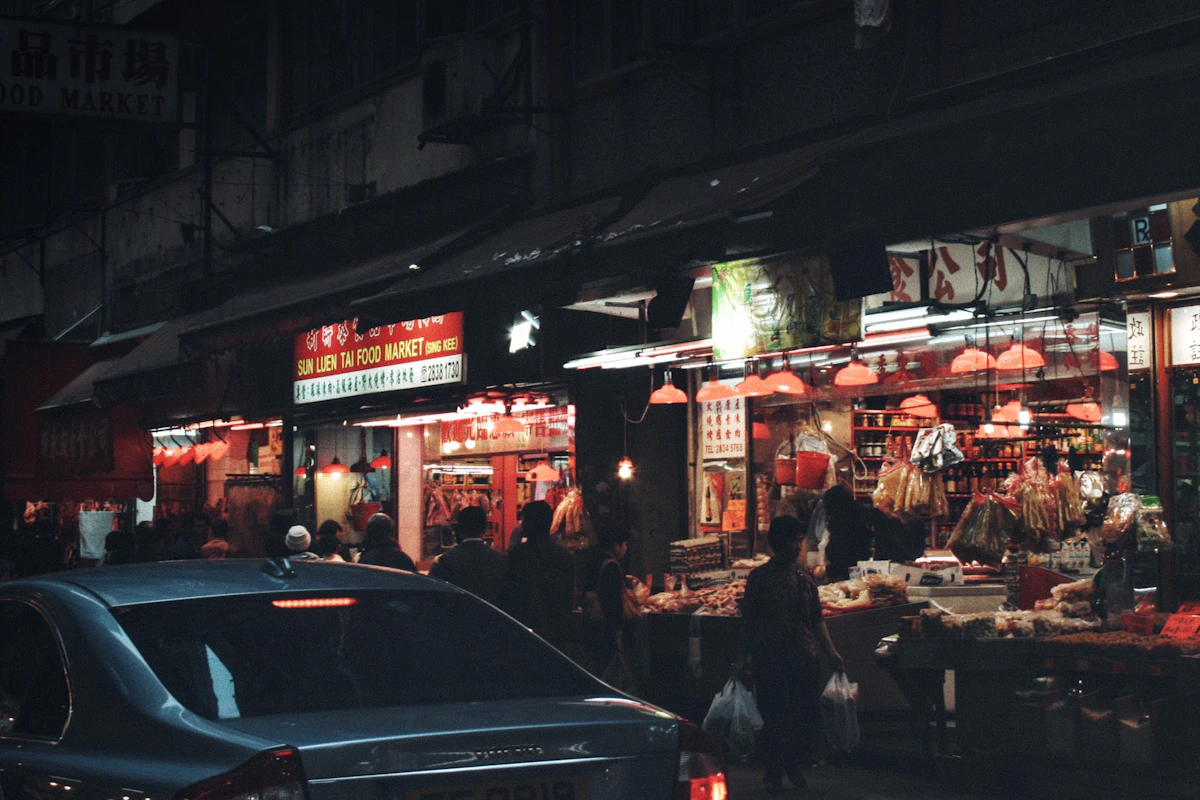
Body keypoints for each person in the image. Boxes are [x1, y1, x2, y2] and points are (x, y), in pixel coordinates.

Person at [742, 516, 845, 792]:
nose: (798, 547)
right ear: (778, 543)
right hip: (770, 656)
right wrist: (743, 658)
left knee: (804, 713)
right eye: (793, 541)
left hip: (804, 656)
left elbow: (816, 618)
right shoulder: (759, 578)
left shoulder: (804, 577)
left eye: (799, 540)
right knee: (773, 716)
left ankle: (792, 760)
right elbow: (749, 621)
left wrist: (831, 652)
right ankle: (773, 771)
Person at [499, 501, 574, 649]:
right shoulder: (563, 555)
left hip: (523, 630)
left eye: (524, 520)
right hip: (555, 630)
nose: (522, 525)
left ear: (531, 523)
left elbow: (509, 594)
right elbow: (568, 595)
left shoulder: (518, 555)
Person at [583, 522, 632, 675]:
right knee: (610, 670)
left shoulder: (591, 560)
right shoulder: (611, 565)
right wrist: (617, 633)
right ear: (616, 545)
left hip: (591, 625)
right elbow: (612, 601)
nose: (626, 548)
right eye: (625, 544)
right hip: (606, 629)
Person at [429, 506, 506, 604]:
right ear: (485, 528)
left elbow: (434, 597)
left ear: (459, 529)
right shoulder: (500, 560)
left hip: (457, 611)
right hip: (491, 612)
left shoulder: (444, 561)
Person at [822, 485, 872, 582]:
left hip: (841, 574)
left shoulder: (841, 524)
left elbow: (841, 557)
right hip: (858, 570)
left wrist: (826, 570)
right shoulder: (860, 516)